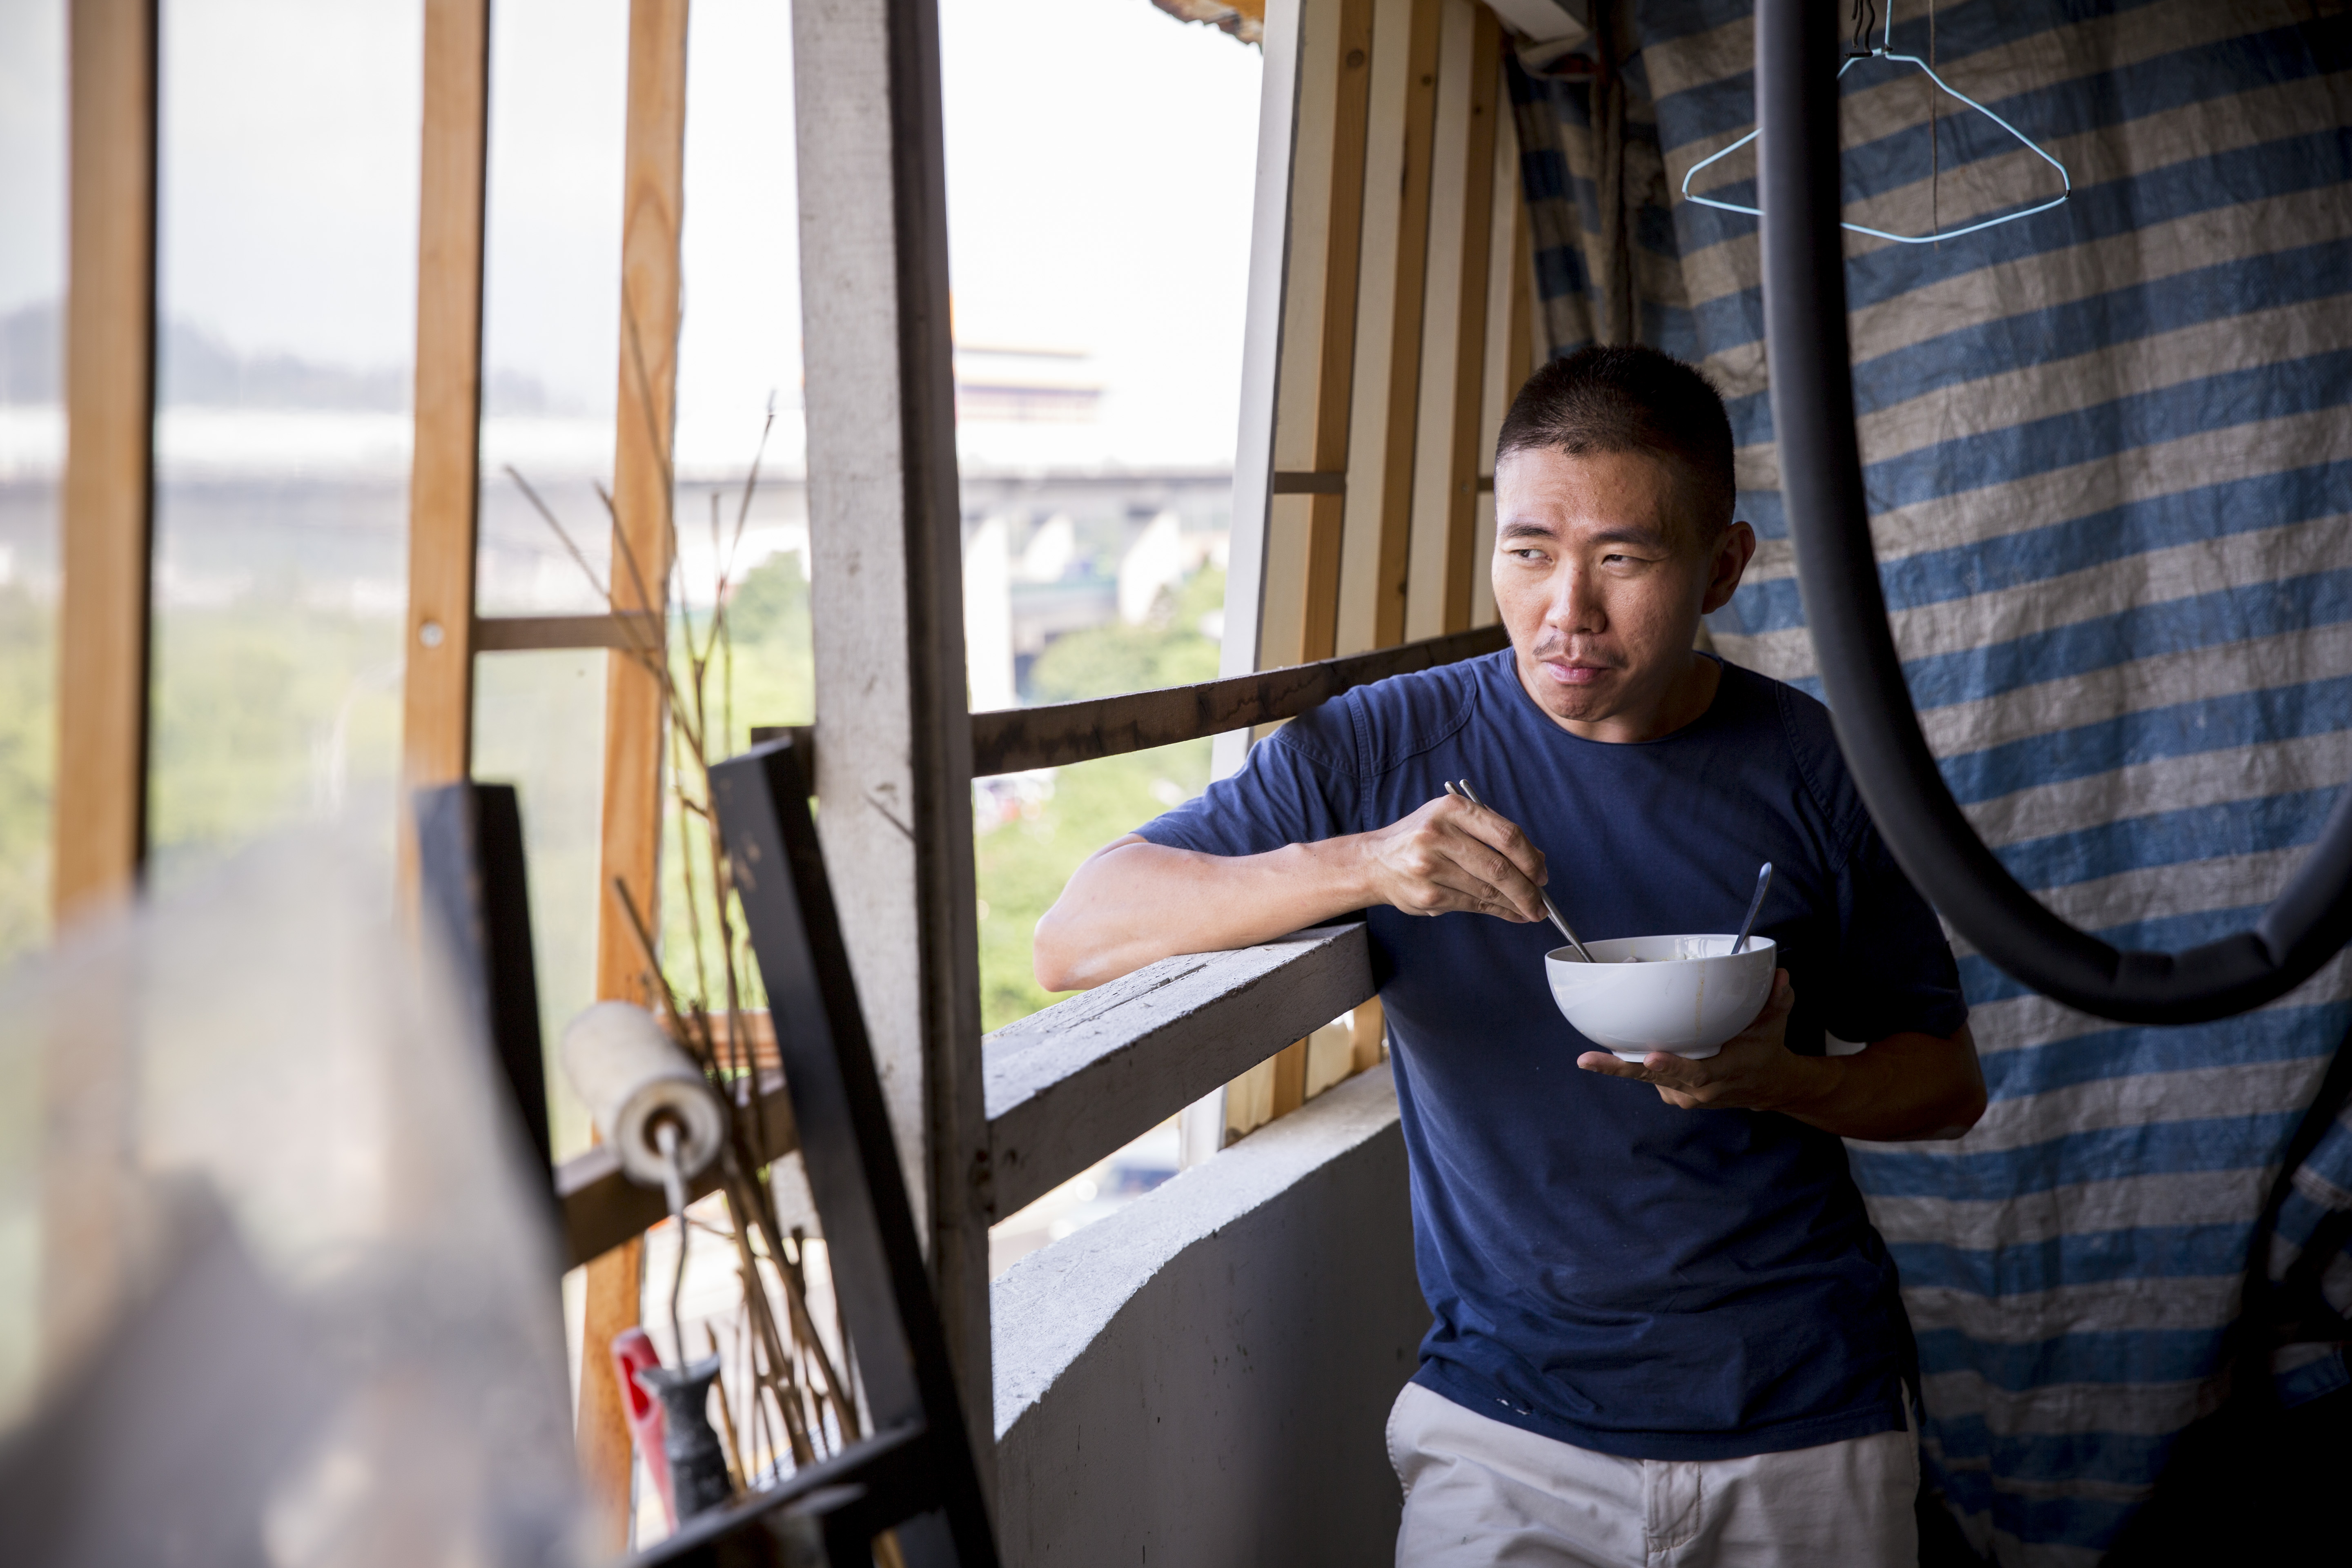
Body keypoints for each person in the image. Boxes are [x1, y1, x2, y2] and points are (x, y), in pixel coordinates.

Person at [1033, 344, 1986, 1567]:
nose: (1566, 611)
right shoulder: (1386, 752)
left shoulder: (1817, 767)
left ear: (1723, 569)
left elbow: (1948, 1084)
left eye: (1623, 559)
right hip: (1504, 1427)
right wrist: (1367, 866)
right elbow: (1078, 935)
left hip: (1803, 1420)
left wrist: (1782, 1080)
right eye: (1530, 552)